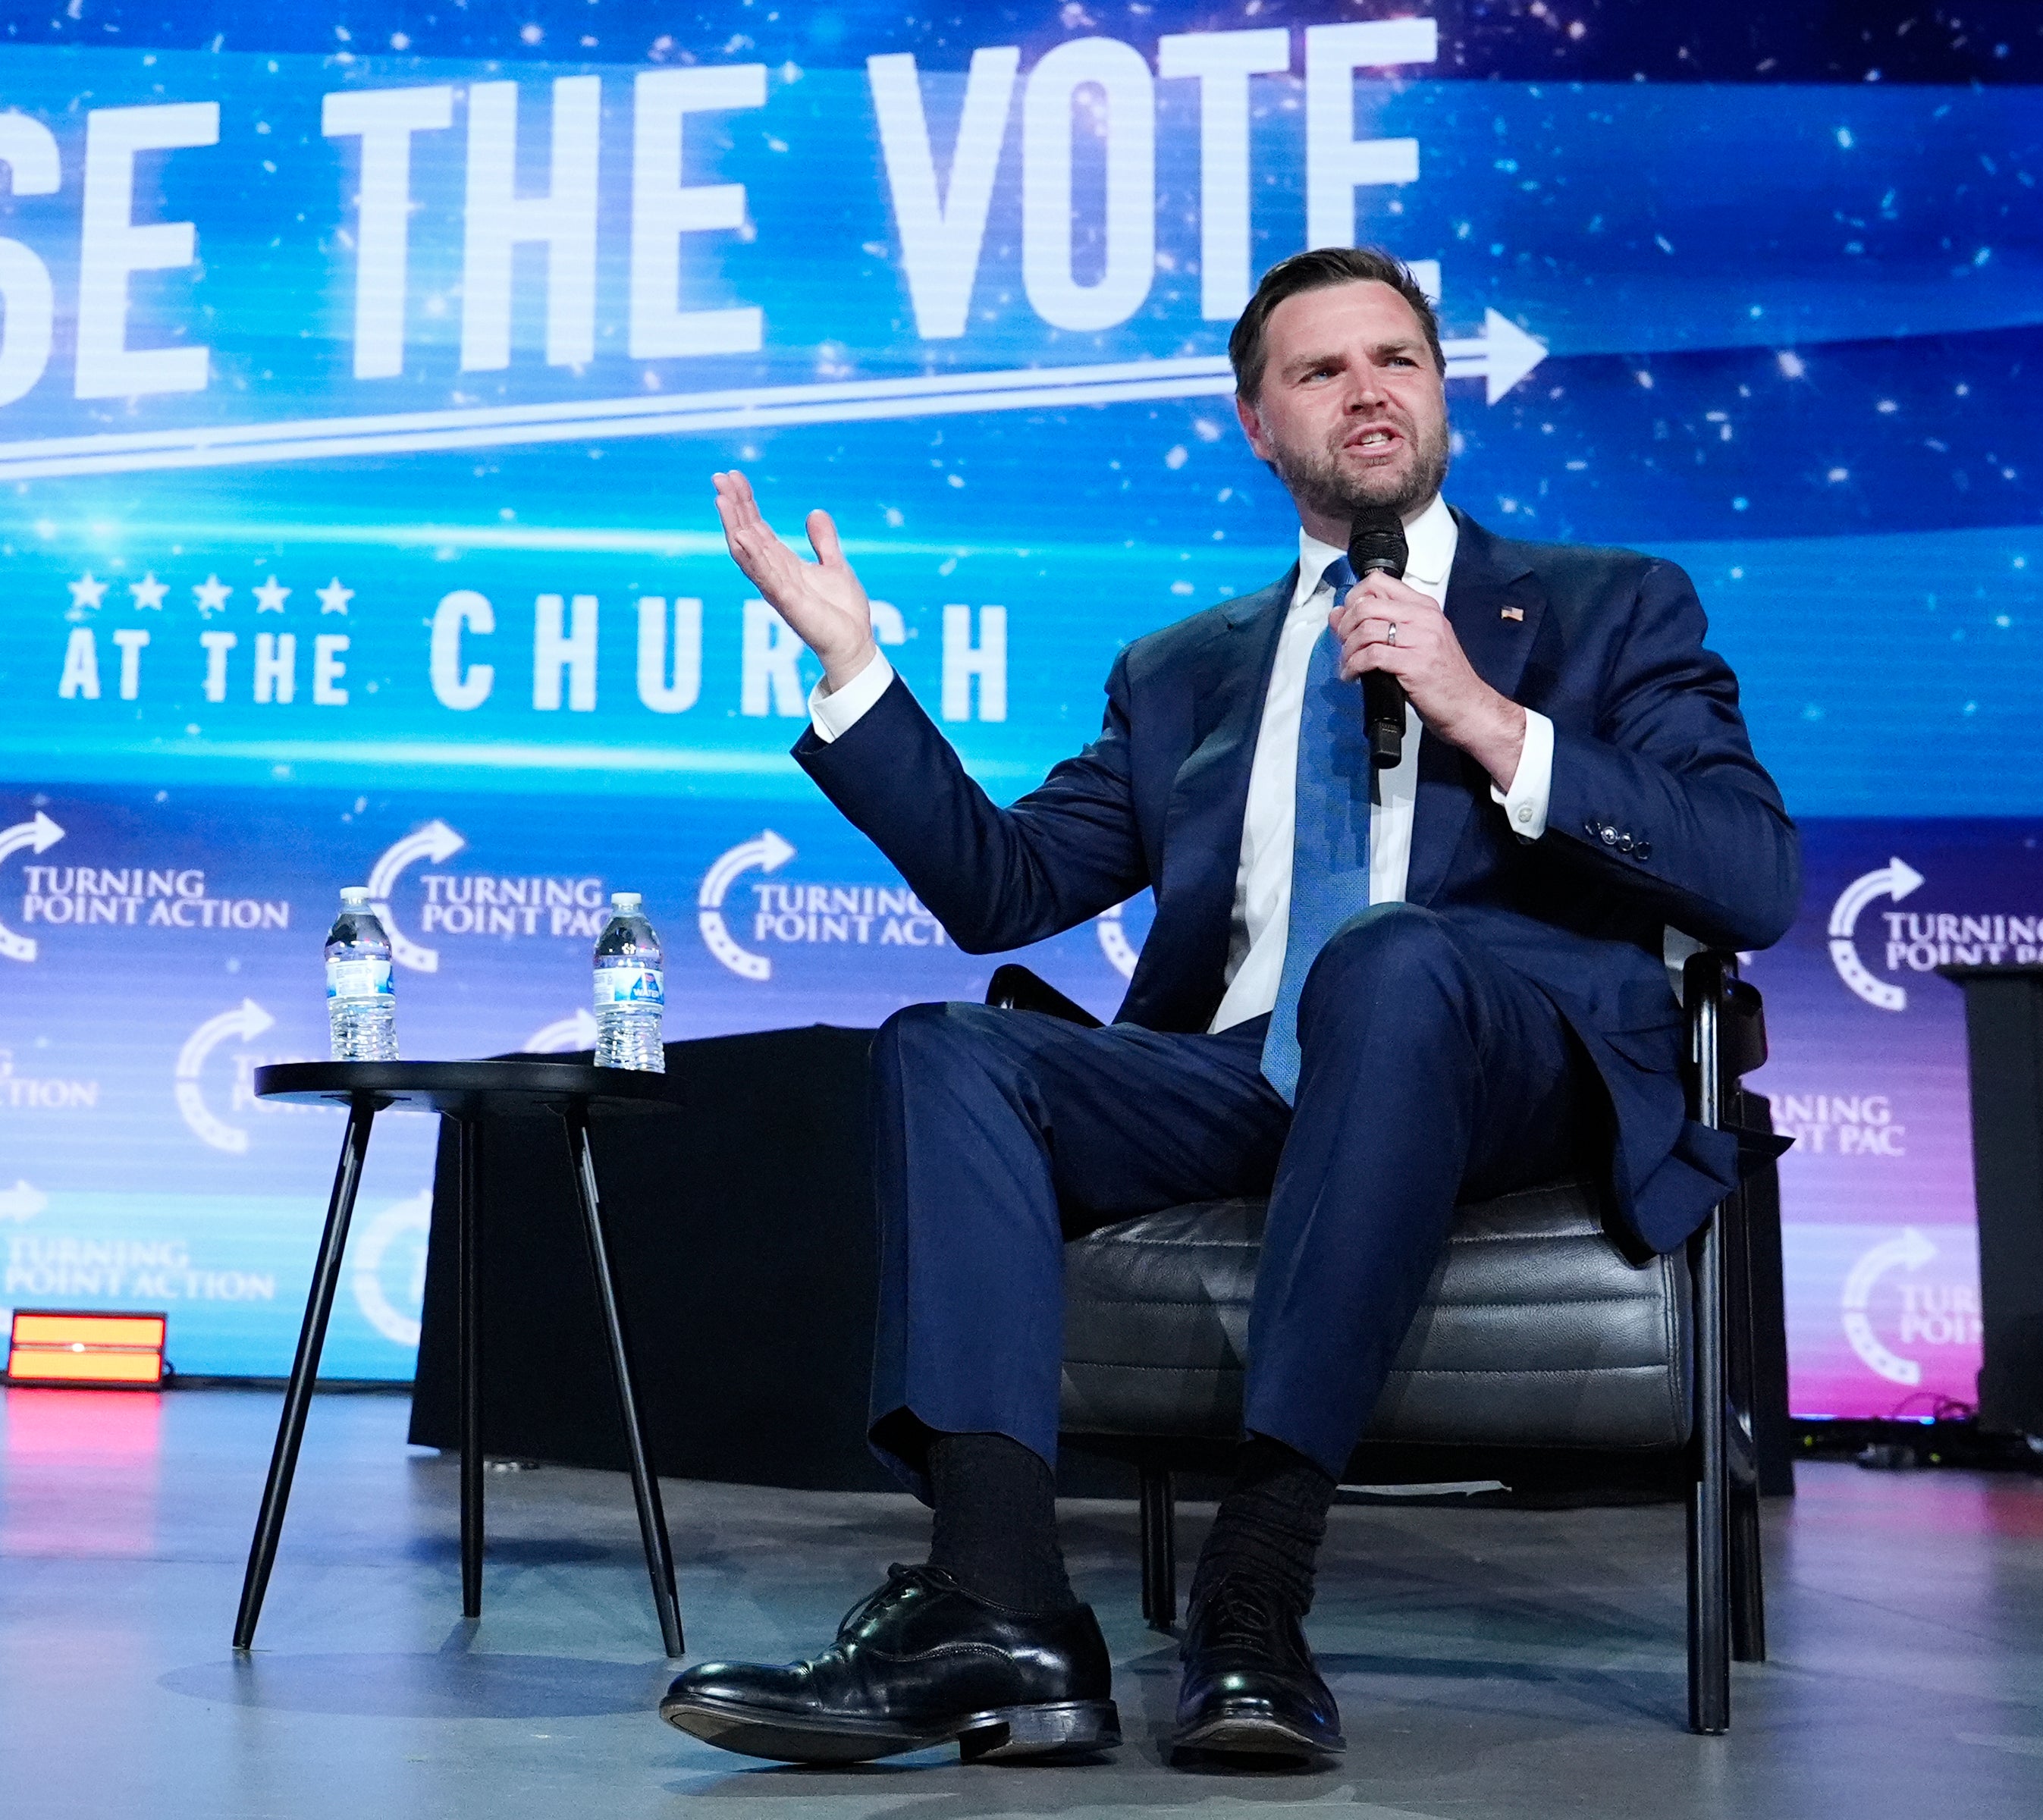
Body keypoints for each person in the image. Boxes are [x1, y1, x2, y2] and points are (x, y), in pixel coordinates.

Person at [658, 246, 1797, 1768]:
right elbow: (1005, 888)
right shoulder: (1184, 671)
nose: (1370, 390)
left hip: (1502, 1070)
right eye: (1323, 372)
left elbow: (1752, 875)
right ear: (1260, 426)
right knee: (950, 1053)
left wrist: (1479, 709)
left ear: (1442, 394)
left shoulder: (1604, 608)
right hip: (1256, 1081)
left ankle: (1254, 1593)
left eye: (1398, 359)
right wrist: (859, 674)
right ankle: (999, 1606)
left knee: (1389, 964)